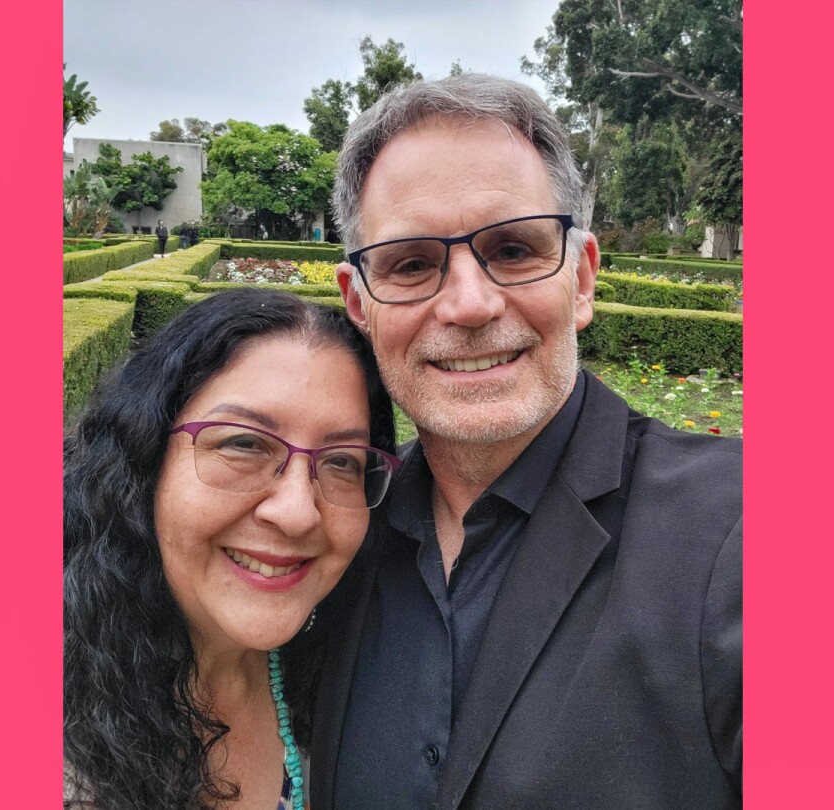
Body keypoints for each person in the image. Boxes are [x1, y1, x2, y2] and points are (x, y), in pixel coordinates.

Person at [312, 74, 743, 809]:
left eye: (513, 249)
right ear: (360, 303)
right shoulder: (326, 543)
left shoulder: (738, 528)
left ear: (581, 279)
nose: (470, 304)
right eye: (412, 264)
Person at [64, 288, 399, 810]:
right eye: (243, 443)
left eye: (341, 461)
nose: (297, 513)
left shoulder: (331, 673)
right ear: (143, 461)